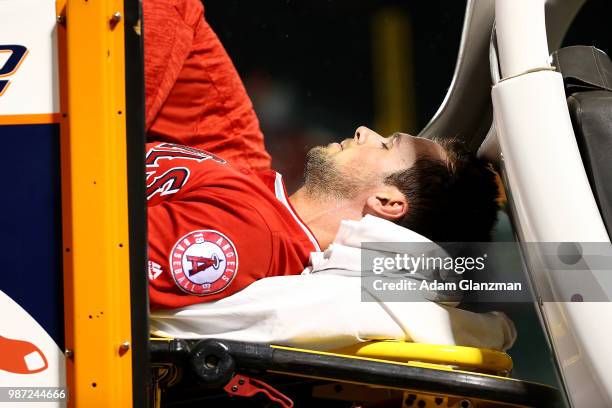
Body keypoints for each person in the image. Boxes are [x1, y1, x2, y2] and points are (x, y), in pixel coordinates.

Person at [143, 0, 499, 310]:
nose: (363, 130)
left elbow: (98, 263)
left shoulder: (251, 233)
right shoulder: (247, 169)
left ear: (388, 200)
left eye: (386, 144)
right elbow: (176, 15)